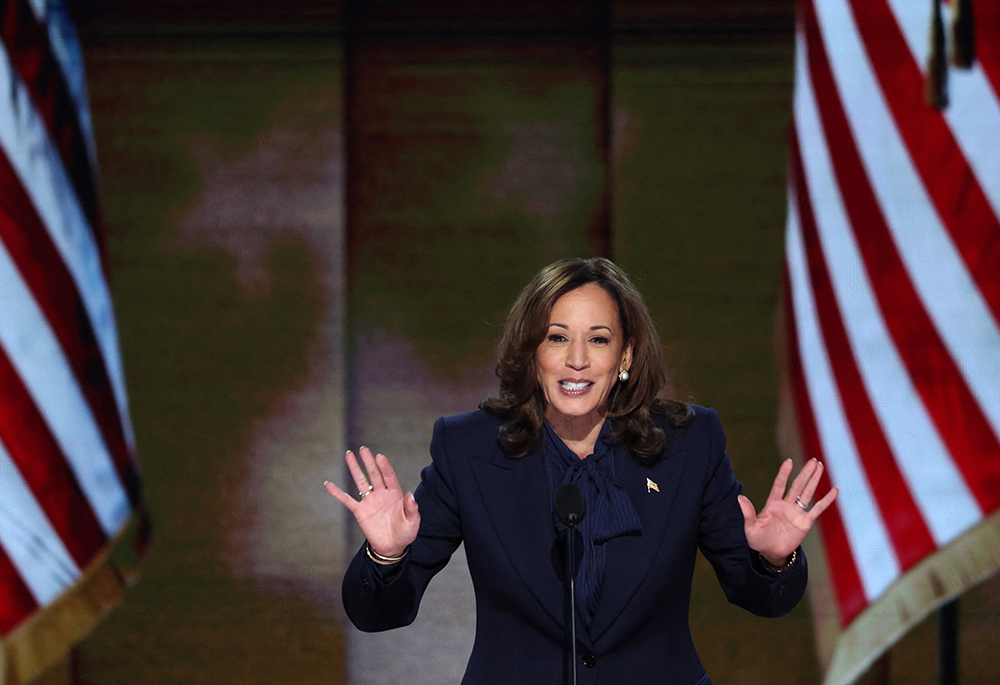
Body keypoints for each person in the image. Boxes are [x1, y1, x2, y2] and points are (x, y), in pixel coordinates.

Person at [325, 257, 838, 685]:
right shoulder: (471, 449)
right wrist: (385, 555)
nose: (576, 360)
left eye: (597, 339)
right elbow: (378, 614)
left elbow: (760, 598)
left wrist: (774, 561)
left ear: (625, 356)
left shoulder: (687, 444)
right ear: (532, 353)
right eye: (555, 337)